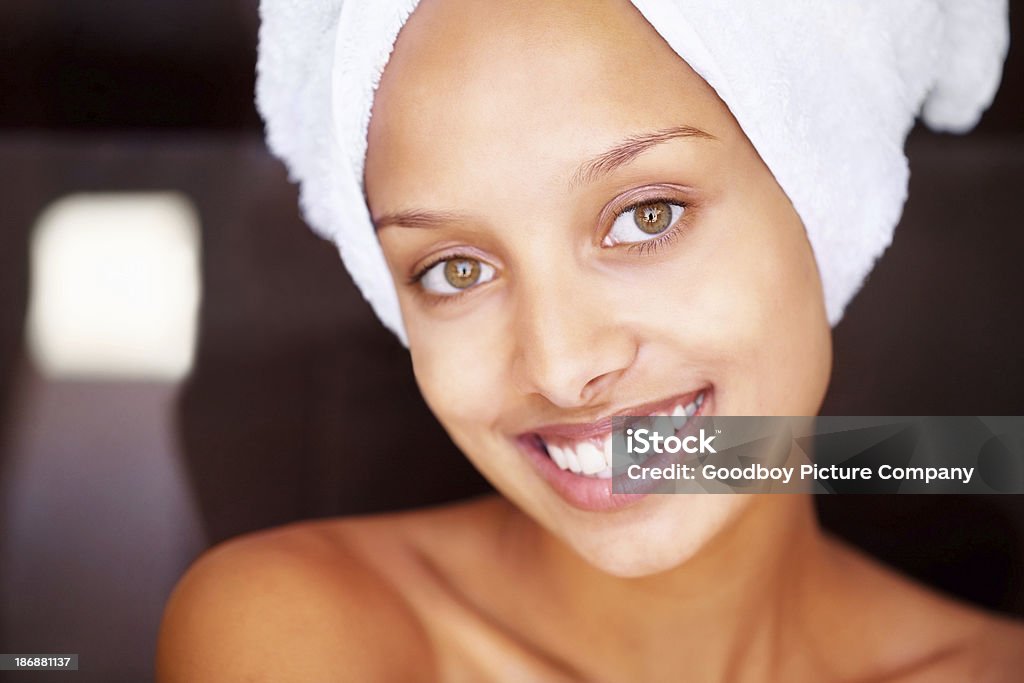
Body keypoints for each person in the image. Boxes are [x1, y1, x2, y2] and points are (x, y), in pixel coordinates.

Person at [156, 0, 1023, 680]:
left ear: (825, 199)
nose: (564, 368)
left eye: (647, 217)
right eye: (456, 270)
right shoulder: (300, 633)